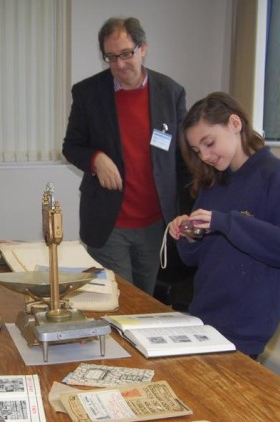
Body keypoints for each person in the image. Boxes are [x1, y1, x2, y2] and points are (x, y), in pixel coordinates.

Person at [168, 92, 280, 358]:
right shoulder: (213, 182)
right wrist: (190, 235)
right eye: (198, 151)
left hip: (244, 329)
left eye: (209, 143)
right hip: (204, 315)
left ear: (235, 124)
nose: (205, 156)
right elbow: (193, 259)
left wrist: (225, 222)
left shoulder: (276, 174)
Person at [62, 17, 189, 295]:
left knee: (143, 303)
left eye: (126, 54)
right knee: (115, 300)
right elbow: (71, 146)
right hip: (109, 223)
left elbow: (182, 161)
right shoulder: (88, 93)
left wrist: (185, 214)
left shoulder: (171, 93)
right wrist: (96, 159)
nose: (119, 64)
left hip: (155, 224)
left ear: (142, 48)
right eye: (111, 57)